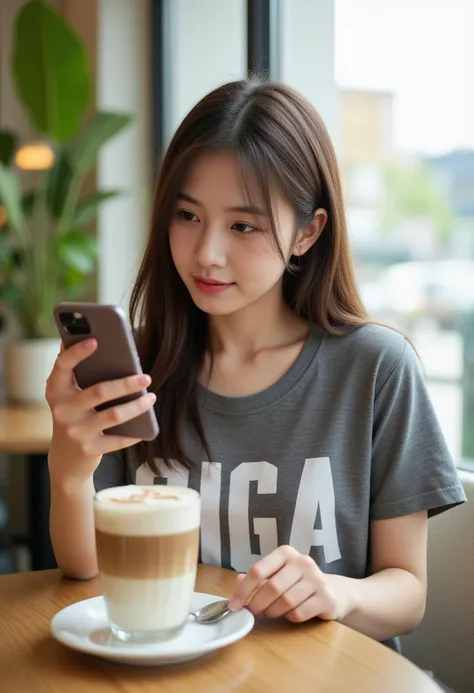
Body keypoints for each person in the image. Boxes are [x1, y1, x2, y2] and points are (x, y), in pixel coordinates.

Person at [46, 79, 466, 654]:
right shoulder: (142, 367)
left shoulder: (374, 368)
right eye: (187, 215)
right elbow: (87, 573)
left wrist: (334, 594)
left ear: (308, 232)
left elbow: (408, 594)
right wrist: (69, 472)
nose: (206, 253)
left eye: (243, 226)